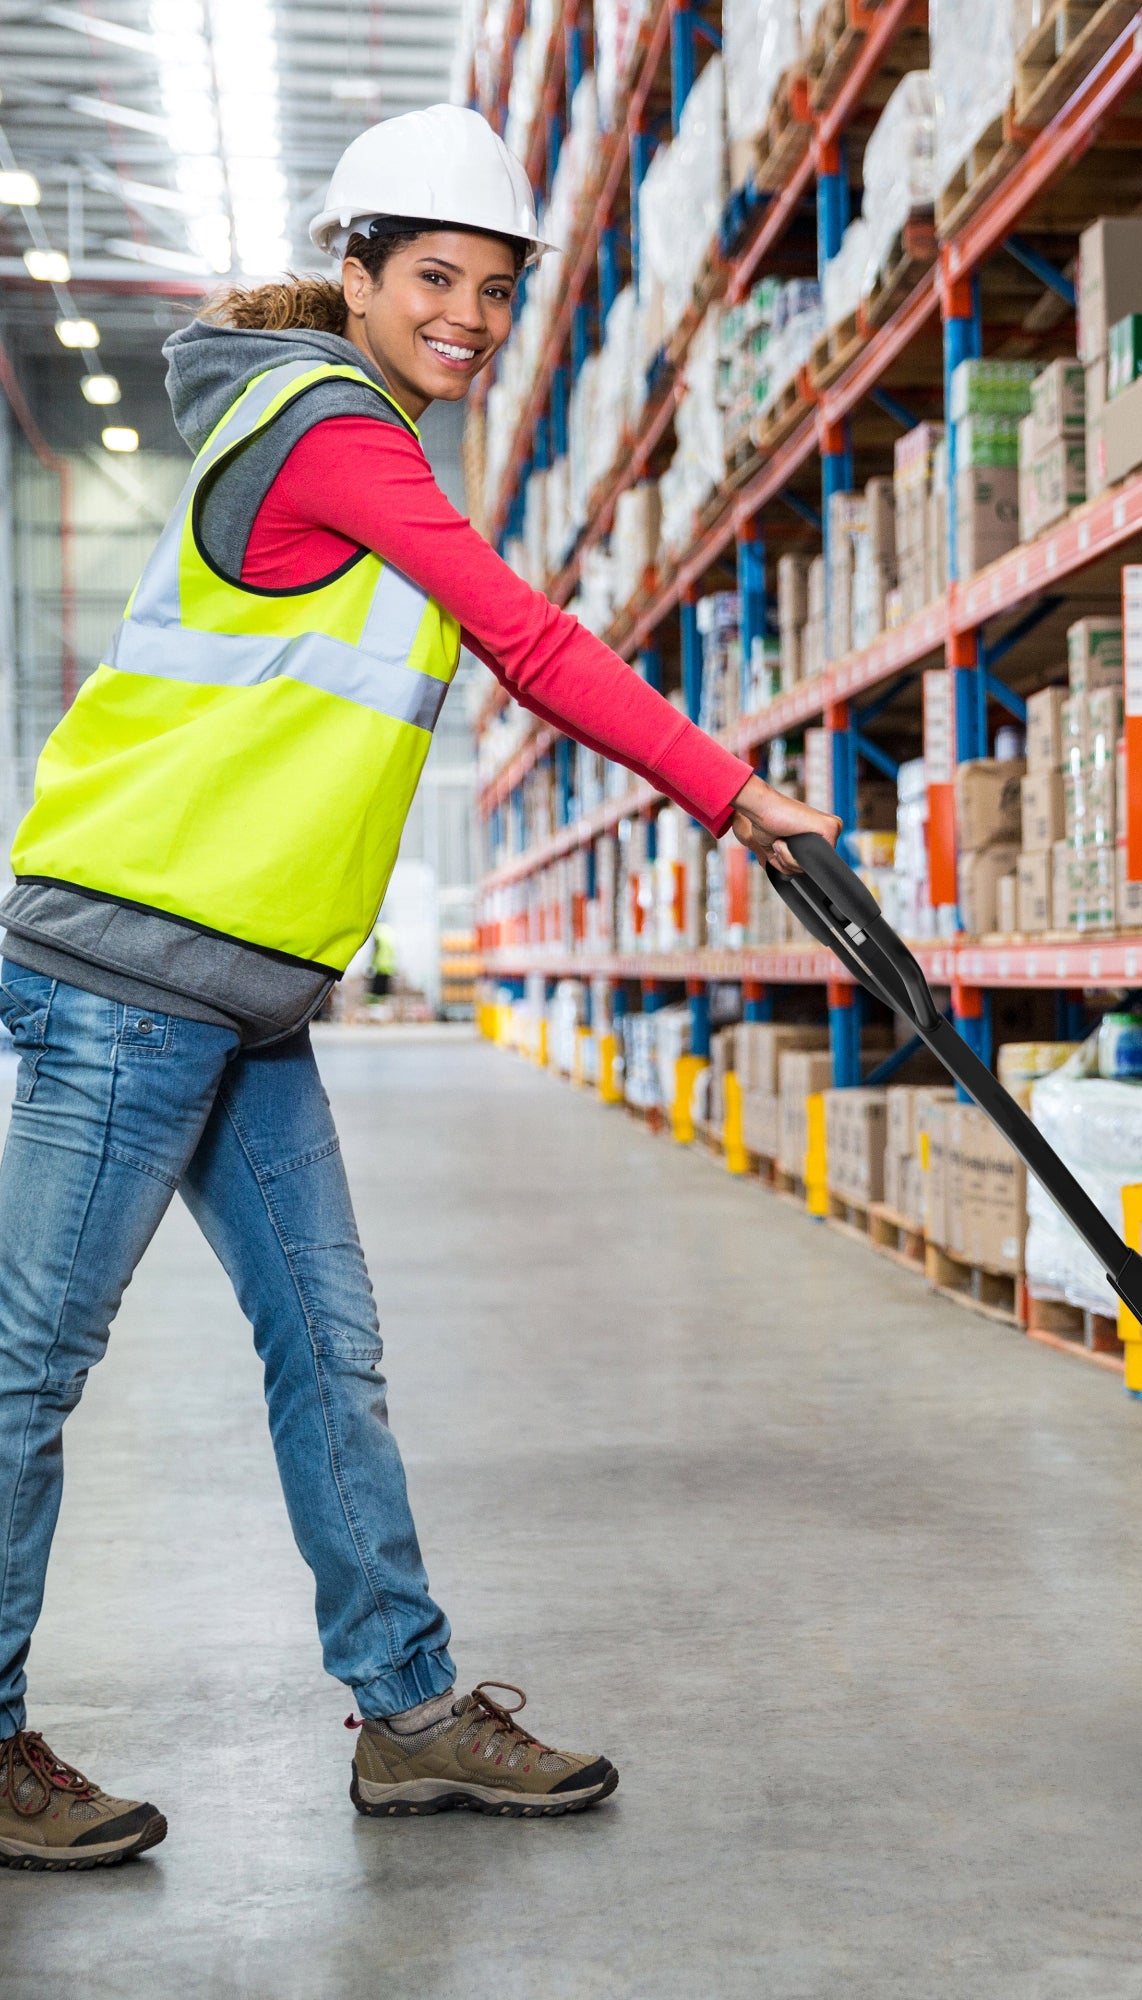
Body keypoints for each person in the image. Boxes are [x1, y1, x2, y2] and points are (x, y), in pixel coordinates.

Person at [0, 103, 838, 1870]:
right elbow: (527, 639)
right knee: (29, 1367)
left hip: (243, 999)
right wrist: (733, 788)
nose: (468, 312)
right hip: (127, 972)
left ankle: (408, 1712)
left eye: (497, 286)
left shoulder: (356, 431)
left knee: (333, 1352)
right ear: (357, 273)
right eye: (434, 276)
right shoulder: (331, 430)